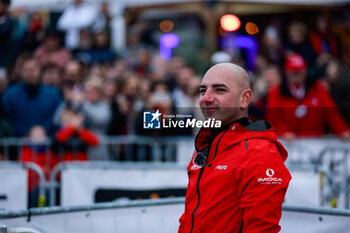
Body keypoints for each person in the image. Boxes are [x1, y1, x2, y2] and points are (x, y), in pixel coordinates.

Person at [178, 63, 291, 233]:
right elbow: (189, 217)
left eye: (219, 90)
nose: (206, 98)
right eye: (203, 91)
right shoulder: (206, 143)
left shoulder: (260, 153)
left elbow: (261, 229)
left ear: (245, 99)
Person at [265, 53, 350, 141]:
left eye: (299, 71)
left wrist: (342, 130)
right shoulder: (276, 92)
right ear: (287, 72)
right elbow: (272, 118)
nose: (296, 75)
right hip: (289, 145)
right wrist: (284, 131)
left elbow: (331, 112)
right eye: (294, 72)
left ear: (305, 71)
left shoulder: (317, 89)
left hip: (315, 144)